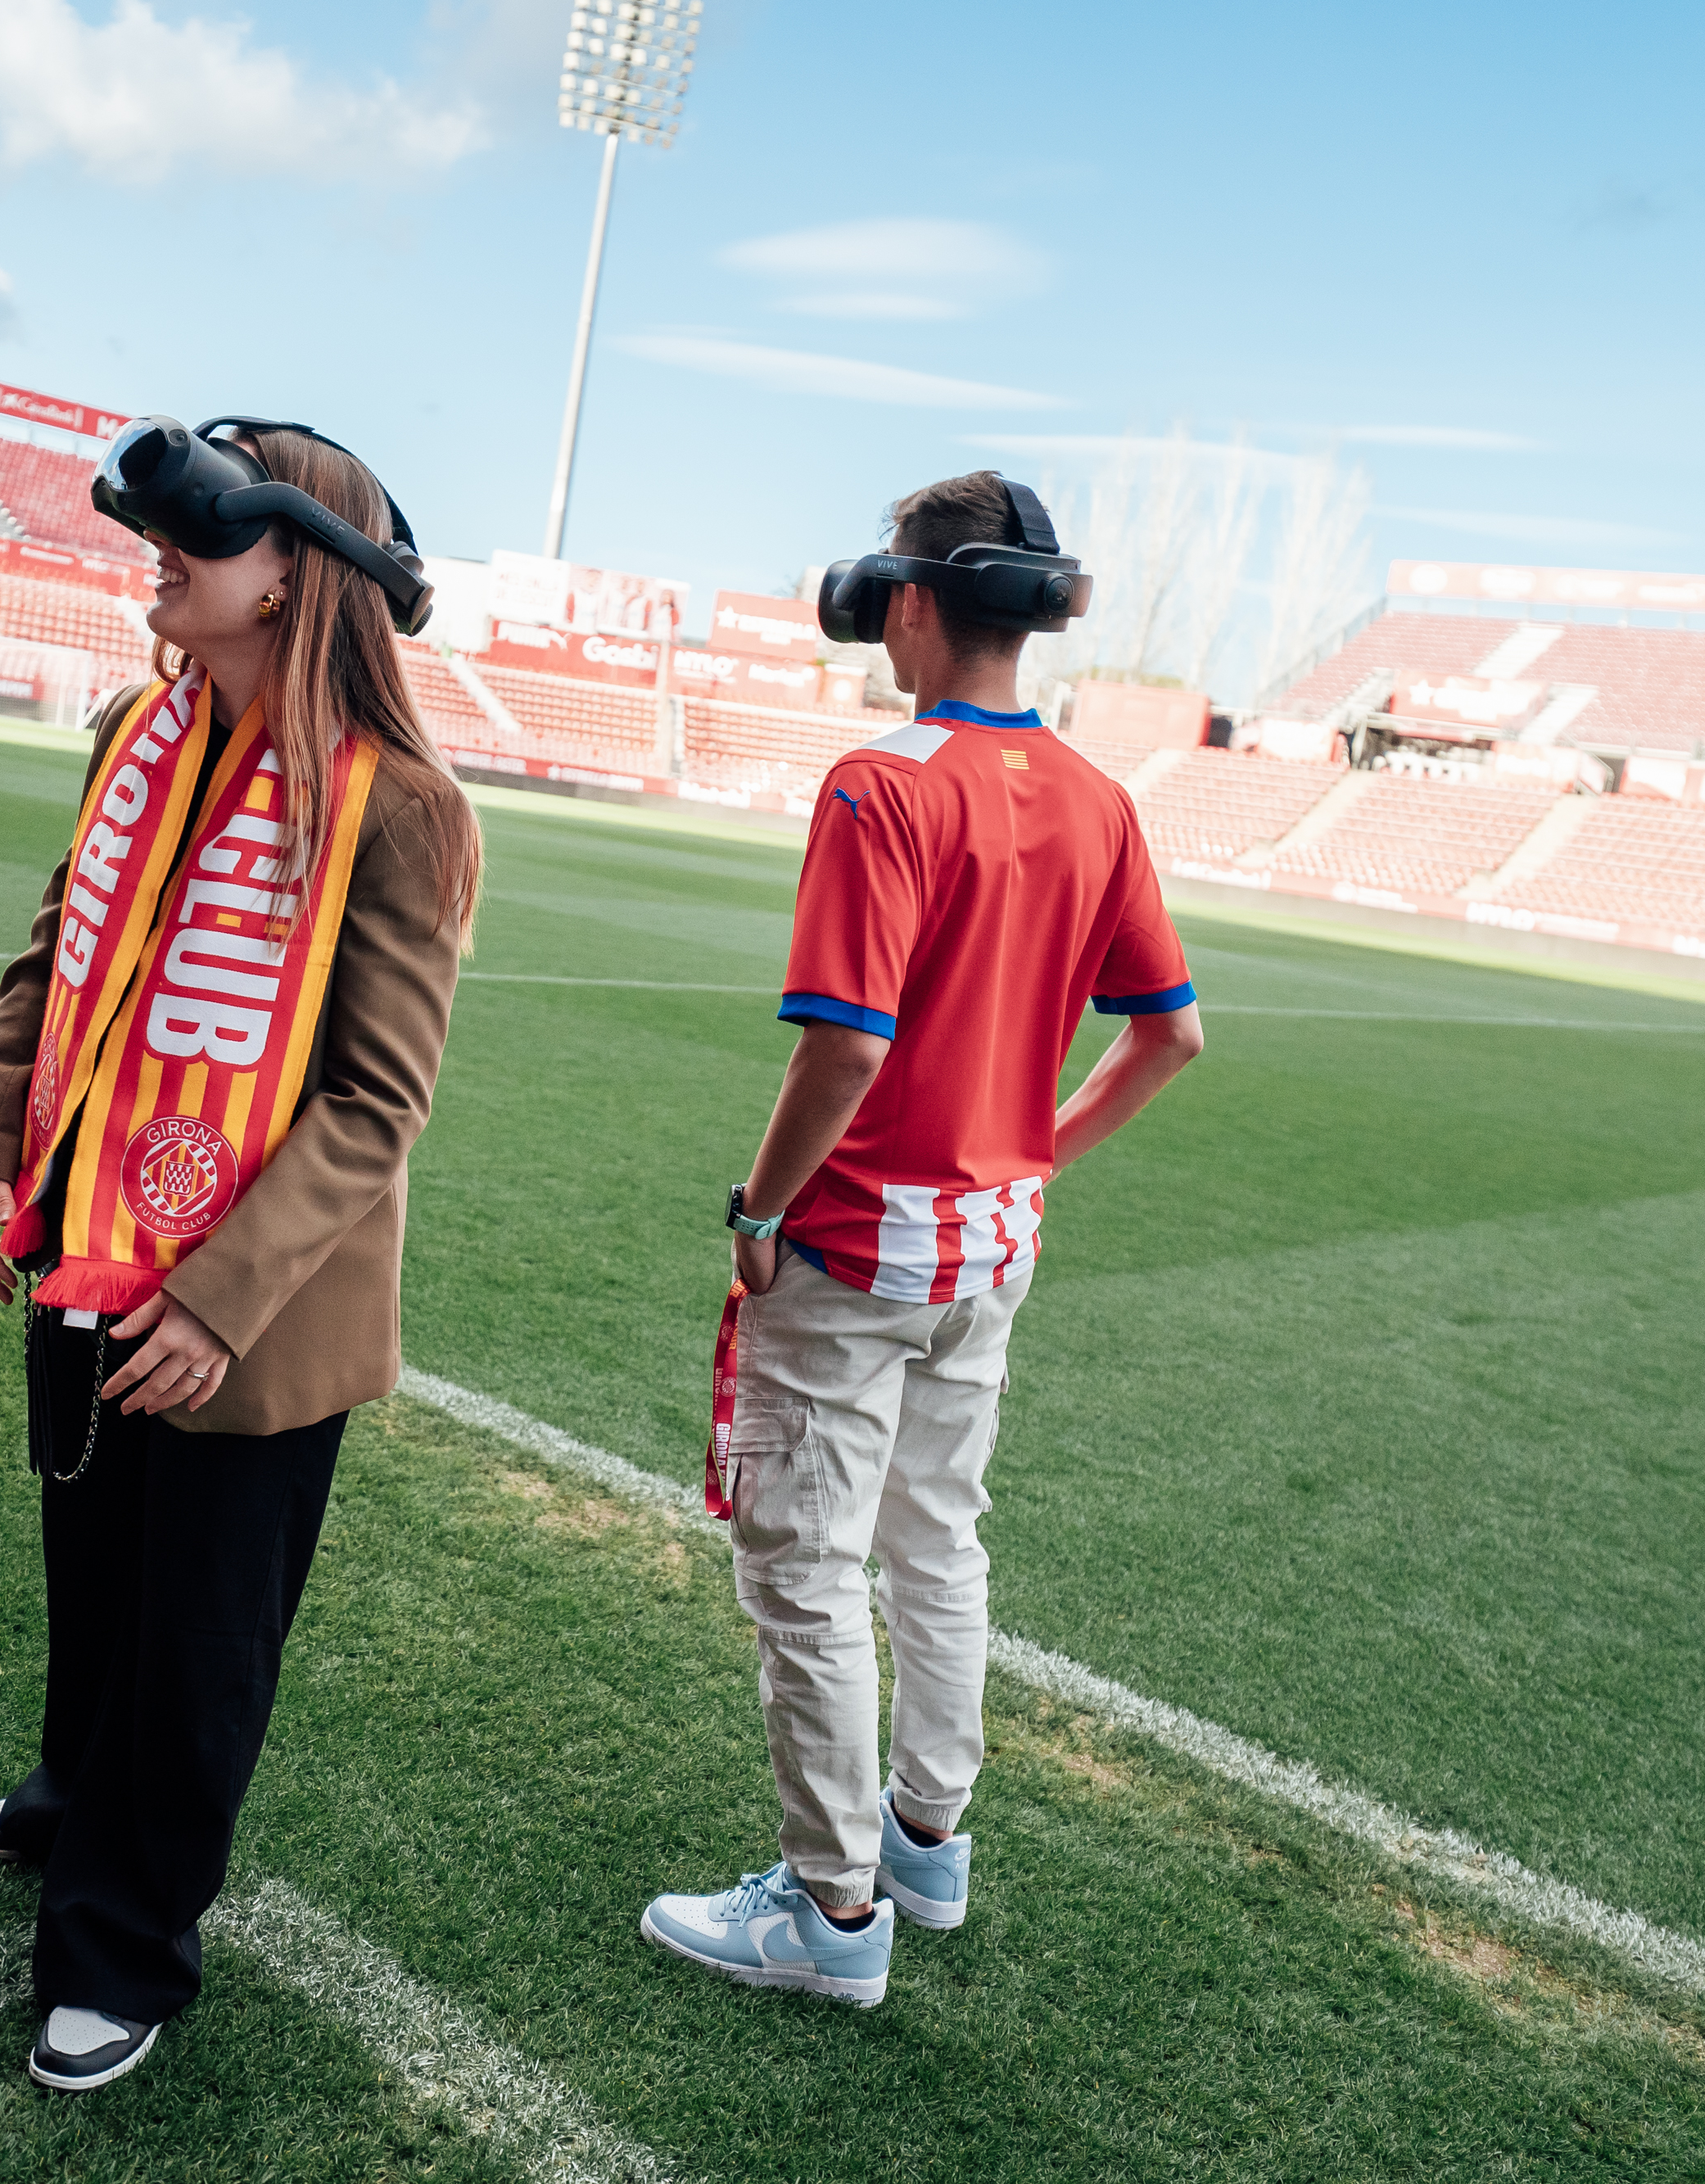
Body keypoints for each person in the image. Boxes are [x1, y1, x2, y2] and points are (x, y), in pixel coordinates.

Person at [0, 418, 479, 2091]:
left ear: (298, 575)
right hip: (86, 1241)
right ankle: (67, 1794)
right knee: (93, 1573)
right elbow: (56, 946)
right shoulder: (136, 731)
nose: (156, 554)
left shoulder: (403, 811)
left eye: (204, 530)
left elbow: (377, 1100)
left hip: (252, 1314)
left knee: (195, 1641)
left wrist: (219, 1297)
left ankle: (123, 1943)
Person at [640, 471, 1203, 2006]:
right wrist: (1032, 1153)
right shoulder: (1099, 798)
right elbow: (1170, 1036)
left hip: (858, 1247)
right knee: (938, 1539)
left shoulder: (880, 784)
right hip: (992, 1245)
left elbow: (846, 1046)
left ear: (910, 603)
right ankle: (927, 1846)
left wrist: (759, 1210)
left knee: (810, 1568)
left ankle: (832, 1914)